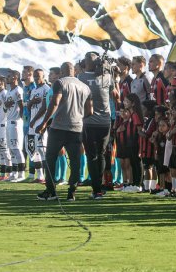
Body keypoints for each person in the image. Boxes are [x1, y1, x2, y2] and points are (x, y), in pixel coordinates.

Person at [37, 62, 90, 201]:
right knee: (75, 161)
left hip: (59, 127)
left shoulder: (60, 83)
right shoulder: (85, 87)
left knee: (50, 158)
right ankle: (72, 192)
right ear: (74, 71)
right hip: (76, 128)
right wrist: (78, 116)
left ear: (62, 71)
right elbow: (90, 111)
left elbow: (54, 103)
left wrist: (44, 122)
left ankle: (51, 191)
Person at [79, 53, 117, 199]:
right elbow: (115, 94)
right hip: (105, 122)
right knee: (100, 154)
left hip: (88, 122)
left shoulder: (81, 78)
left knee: (91, 155)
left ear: (86, 63)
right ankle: (99, 187)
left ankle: (96, 190)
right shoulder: (107, 77)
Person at [25, 69, 52, 183]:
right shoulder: (34, 90)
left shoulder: (47, 89)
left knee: (42, 150)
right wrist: (31, 102)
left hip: (41, 123)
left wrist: (35, 120)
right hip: (32, 123)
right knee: (33, 150)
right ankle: (39, 176)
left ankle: (47, 177)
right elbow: (29, 106)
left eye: (38, 76)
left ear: (43, 76)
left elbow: (45, 107)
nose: (36, 78)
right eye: (35, 76)